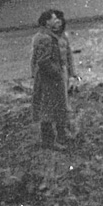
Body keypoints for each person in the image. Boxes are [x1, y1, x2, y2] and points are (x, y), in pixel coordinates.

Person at [32, 9, 76, 149]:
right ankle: (49, 141)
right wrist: (57, 73)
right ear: (46, 22)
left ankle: (61, 135)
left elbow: (68, 56)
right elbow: (42, 61)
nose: (58, 21)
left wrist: (71, 74)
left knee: (60, 105)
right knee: (48, 108)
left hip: (57, 76)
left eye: (59, 19)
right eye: (54, 19)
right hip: (48, 78)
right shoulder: (45, 38)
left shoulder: (58, 36)